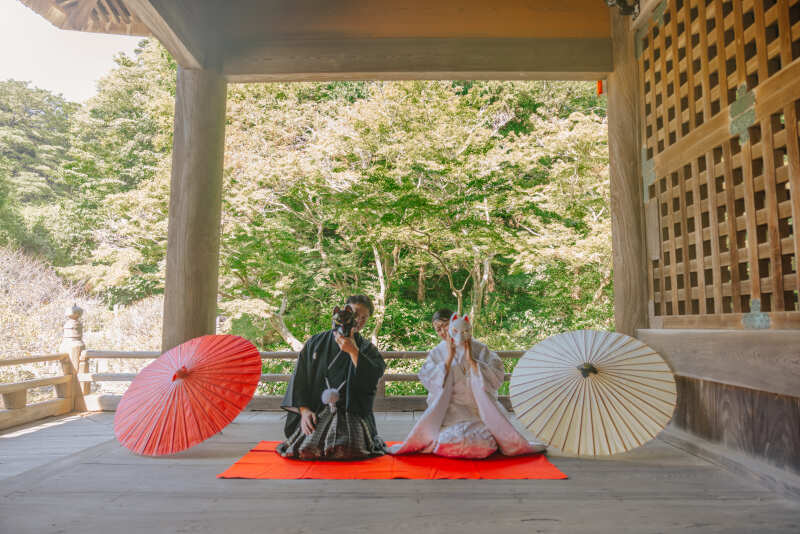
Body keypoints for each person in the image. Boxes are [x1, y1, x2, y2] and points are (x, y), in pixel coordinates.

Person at [390, 310, 546, 458]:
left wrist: (472, 360)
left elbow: (496, 375)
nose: (443, 332)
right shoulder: (437, 352)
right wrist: (449, 358)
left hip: (478, 412)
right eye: (438, 329)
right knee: (450, 440)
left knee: (481, 443)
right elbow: (428, 379)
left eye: (445, 326)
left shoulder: (479, 348)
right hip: (450, 413)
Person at [277, 295, 387, 460]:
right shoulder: (316, 342)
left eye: (364, 318)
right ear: (344, 312)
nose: (358, 320)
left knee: (350, 449)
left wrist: (354, 352)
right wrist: (304, 410)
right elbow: (299, 379)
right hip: (318, 410)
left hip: (351, 412)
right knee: (305, 449)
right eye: (355, 314)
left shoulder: (366, 349)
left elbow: (371, 378)